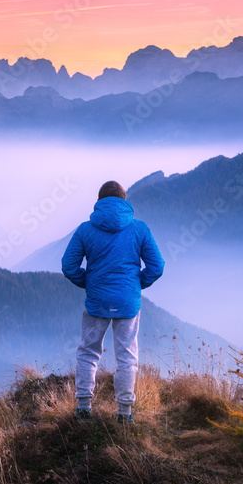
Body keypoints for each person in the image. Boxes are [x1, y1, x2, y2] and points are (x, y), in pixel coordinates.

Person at [62, 180, 164, 424]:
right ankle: (124, 412)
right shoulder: (140, 229)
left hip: (97, 299)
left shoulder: (85, 229)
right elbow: (157, 266)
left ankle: (84, 407)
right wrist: (137, 284)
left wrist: (88, 283)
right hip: (128, 301)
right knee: (127, 356)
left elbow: (68, 266)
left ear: (99, 201)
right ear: (124, 200)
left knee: (88, 351)